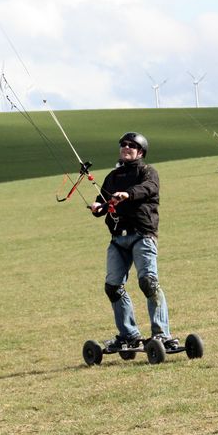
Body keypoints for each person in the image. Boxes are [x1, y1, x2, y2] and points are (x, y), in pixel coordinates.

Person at [89, 132, 176, 352]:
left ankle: (162, 334)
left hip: (142, 235)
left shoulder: (147, 172)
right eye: (123, 144)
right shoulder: (112, 177)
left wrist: (127, 194)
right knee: (113, 287)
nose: (126, 147)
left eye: (132, 145)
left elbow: (148, 188)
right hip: (118, 239)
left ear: (141, 152)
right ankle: (128, 335)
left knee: (148, 282)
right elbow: (103, 203)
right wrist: (97, 207)